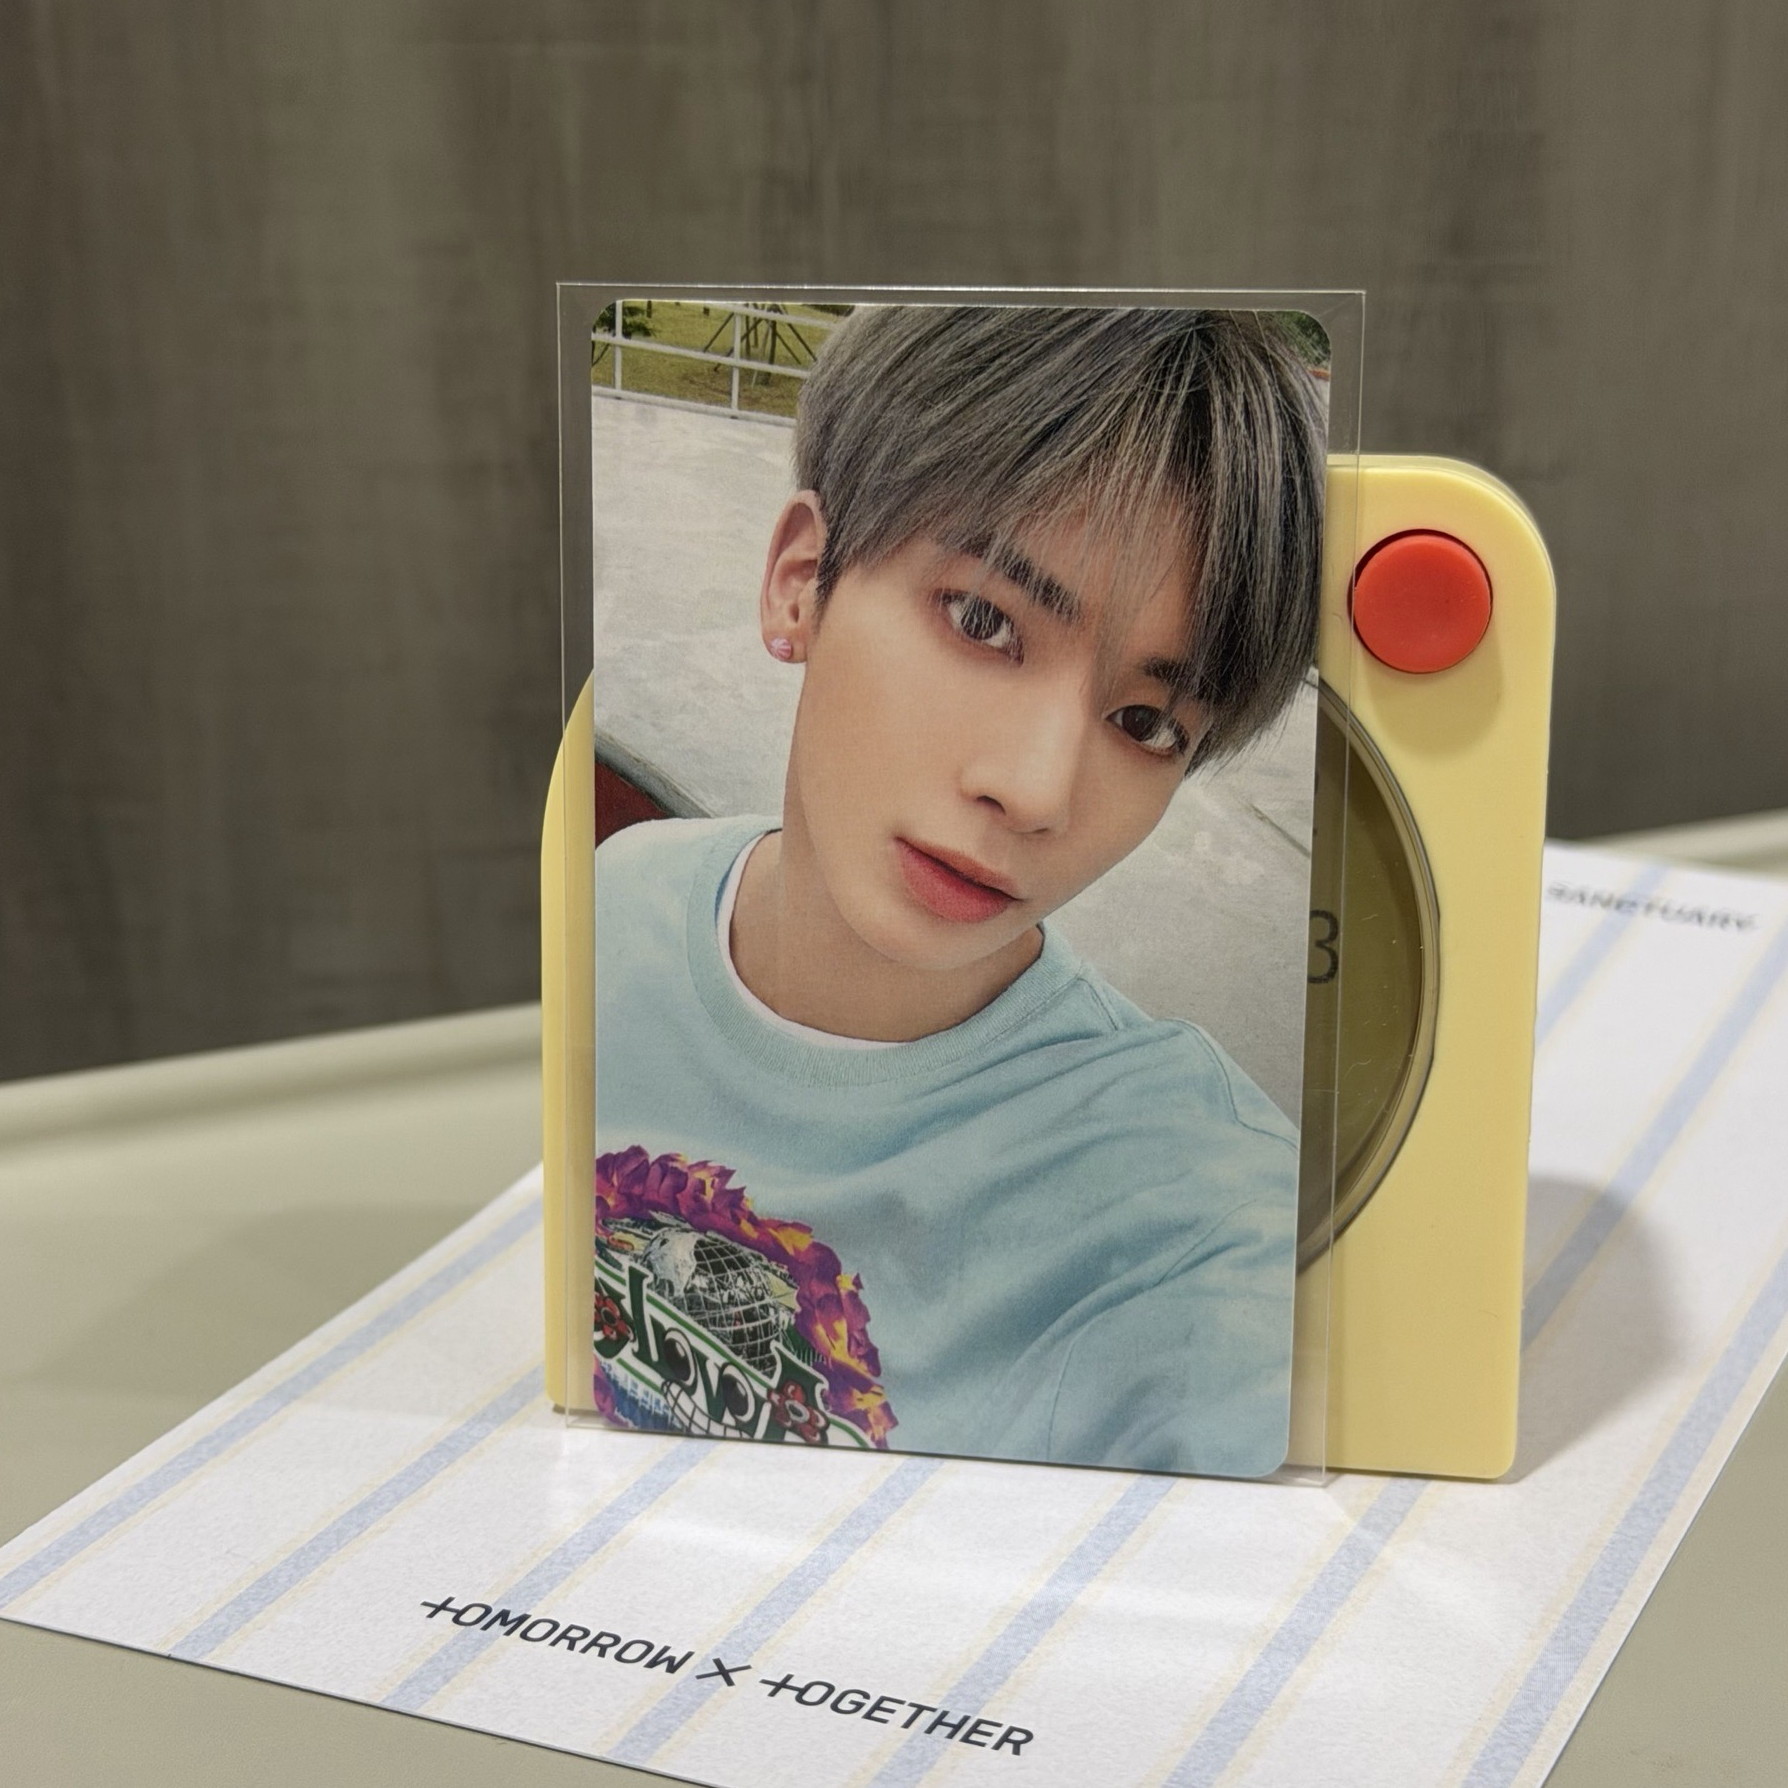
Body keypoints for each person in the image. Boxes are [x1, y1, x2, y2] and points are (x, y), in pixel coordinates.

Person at [589, 304, 1326, 1477]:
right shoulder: (604, 910)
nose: (1036, 791)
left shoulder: (1199, 1219)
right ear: (801, 582)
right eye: (984, 620)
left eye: (1146, 722)